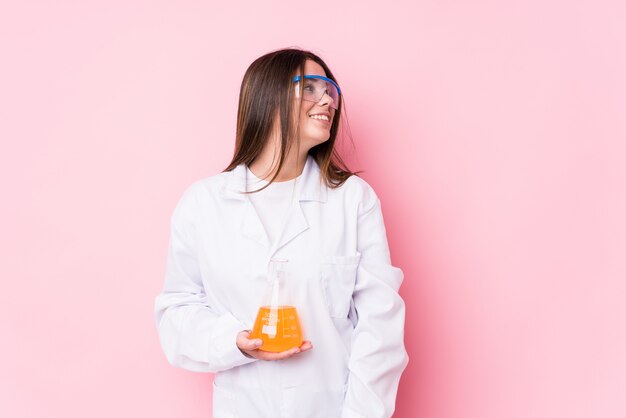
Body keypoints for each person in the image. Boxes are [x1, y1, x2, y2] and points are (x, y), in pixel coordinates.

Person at [154, 47, 408, 418]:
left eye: (330, 90)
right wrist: (234, 342)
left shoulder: (352, 199)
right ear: (268, 97)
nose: (327, 100)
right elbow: (176, 312)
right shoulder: (203, 203)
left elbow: (380, 326)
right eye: (310, 87)